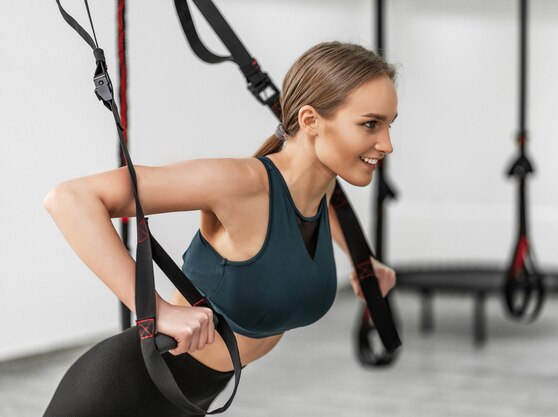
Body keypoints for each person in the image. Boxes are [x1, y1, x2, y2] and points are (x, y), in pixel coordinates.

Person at [42, 41, 399, 417]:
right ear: (310, 121)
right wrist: (155, 310)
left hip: (192, 398)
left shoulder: (319, 186)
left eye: (390, 124)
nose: (388, 144)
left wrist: (363, 263)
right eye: (370, 124)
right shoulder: (239, 183)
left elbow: (309, 222)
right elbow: (69, 199)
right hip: (122, 394)